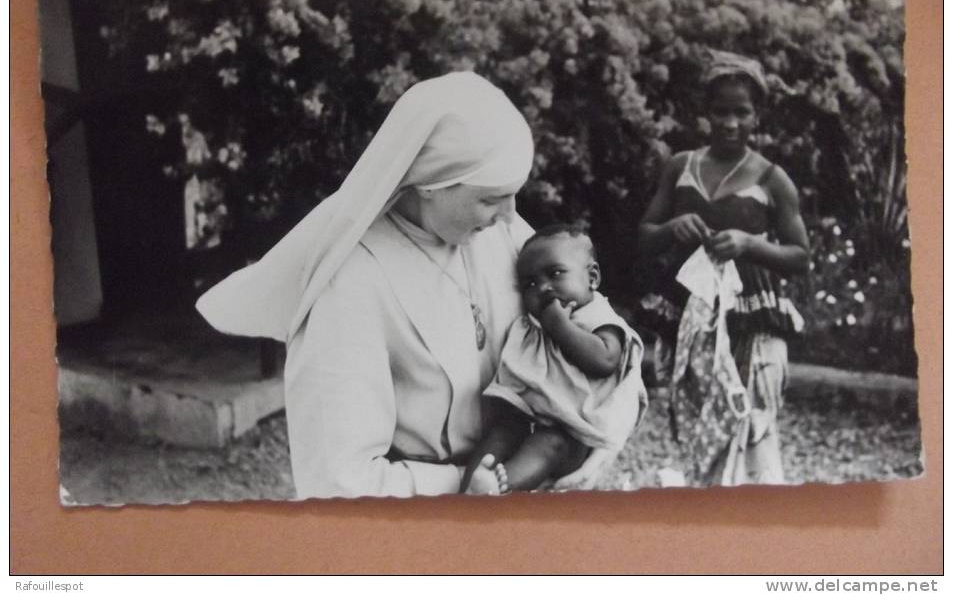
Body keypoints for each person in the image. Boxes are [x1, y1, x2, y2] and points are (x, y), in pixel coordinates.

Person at [195, 72, 609, 498]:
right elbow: (338, 482)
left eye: (512, 195)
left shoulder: (499, 233)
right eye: (490, 198)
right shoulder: (350, 284)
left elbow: (591, 323)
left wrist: (597, 437)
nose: (509, 214)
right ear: (430, 184)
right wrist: (474, 486)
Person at [637, 50, 810, 486]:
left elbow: (800, 256)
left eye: (742, 112)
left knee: (753, 420)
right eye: (720, 112)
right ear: (704, 114)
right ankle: (712, 513)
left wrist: (749, 244)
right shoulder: (682, 167)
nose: (730, 122)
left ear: (757, 116)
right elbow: (644, 236)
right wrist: (672, 227)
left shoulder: (772, 178)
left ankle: (758, 516)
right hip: (693, 314)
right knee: (704, 423)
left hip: (751, 318)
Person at [460, 225, 646, 495]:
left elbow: (604, 360)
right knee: (502, 430)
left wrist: (559, 325)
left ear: (592, 277)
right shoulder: (537, 322)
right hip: (532, 416)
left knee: (549, 443)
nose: (543, 288)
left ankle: (498, 490)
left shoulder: (601, 319)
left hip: (574, 435)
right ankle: (470, 488)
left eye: (555, 274)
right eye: (530, 284)